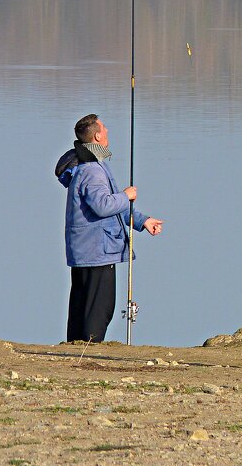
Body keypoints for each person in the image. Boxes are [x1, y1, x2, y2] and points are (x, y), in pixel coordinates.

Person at [64, 113, 163, 343]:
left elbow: (111, 207)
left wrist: (142, 221)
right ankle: (89, 349)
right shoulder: (92, 170)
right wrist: (125, 195)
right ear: (97, 136)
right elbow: (103, 205)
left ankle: (76, 347)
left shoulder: (87, 165)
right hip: (97, 251)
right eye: (105, 127)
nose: (108, 131)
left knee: (83, 304)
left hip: (87, 250)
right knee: (100, 308)